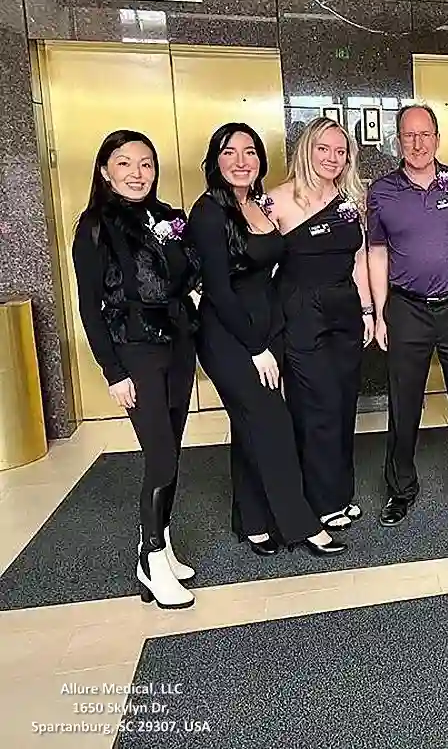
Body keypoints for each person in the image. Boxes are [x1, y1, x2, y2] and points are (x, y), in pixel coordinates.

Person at [189, 122, 347, 558]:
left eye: (250, 153)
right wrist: (256, 348)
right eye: (229, 153)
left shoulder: (259, 204)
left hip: (268, 326)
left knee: (248, 426)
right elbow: (218, 290)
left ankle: (252, 519)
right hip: (231, 336)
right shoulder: (208, 212)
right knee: (273, 425)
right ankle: (299, 524)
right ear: (214, 161)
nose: (241, 162)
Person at [72, 130, 202, 609]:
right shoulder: (93, 226)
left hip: (179, 347)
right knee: (161, 457)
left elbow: (191, 273)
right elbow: (89, 307)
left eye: (145, 163)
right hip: (136, 352)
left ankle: (161, 545)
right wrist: (112, 372)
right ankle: (149, 558)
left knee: (172, 450)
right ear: (105, 171)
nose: (136, 173)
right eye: (124, 163)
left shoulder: (170, 218)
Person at [366, 104, 448, 524]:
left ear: (438, 138)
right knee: (404, 403)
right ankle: (400, 488)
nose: (417, 144)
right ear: (397, 140)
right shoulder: (381, 191)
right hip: (407, 308)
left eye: (425, 135)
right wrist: (380, 313)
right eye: (408, 136)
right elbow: (377, 252)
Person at [266, 117, 372, 533]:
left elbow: (360, 259)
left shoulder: (350, 200)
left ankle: (339, 494)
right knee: (316, 408)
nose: (332, 158)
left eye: (340, 151)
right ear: (306, 150)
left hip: (344, 313)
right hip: (301, 316)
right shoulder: (276, 201)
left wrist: (366, 310)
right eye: (323, 149)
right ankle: (317, 499)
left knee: (344, 406)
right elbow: (253, 261)